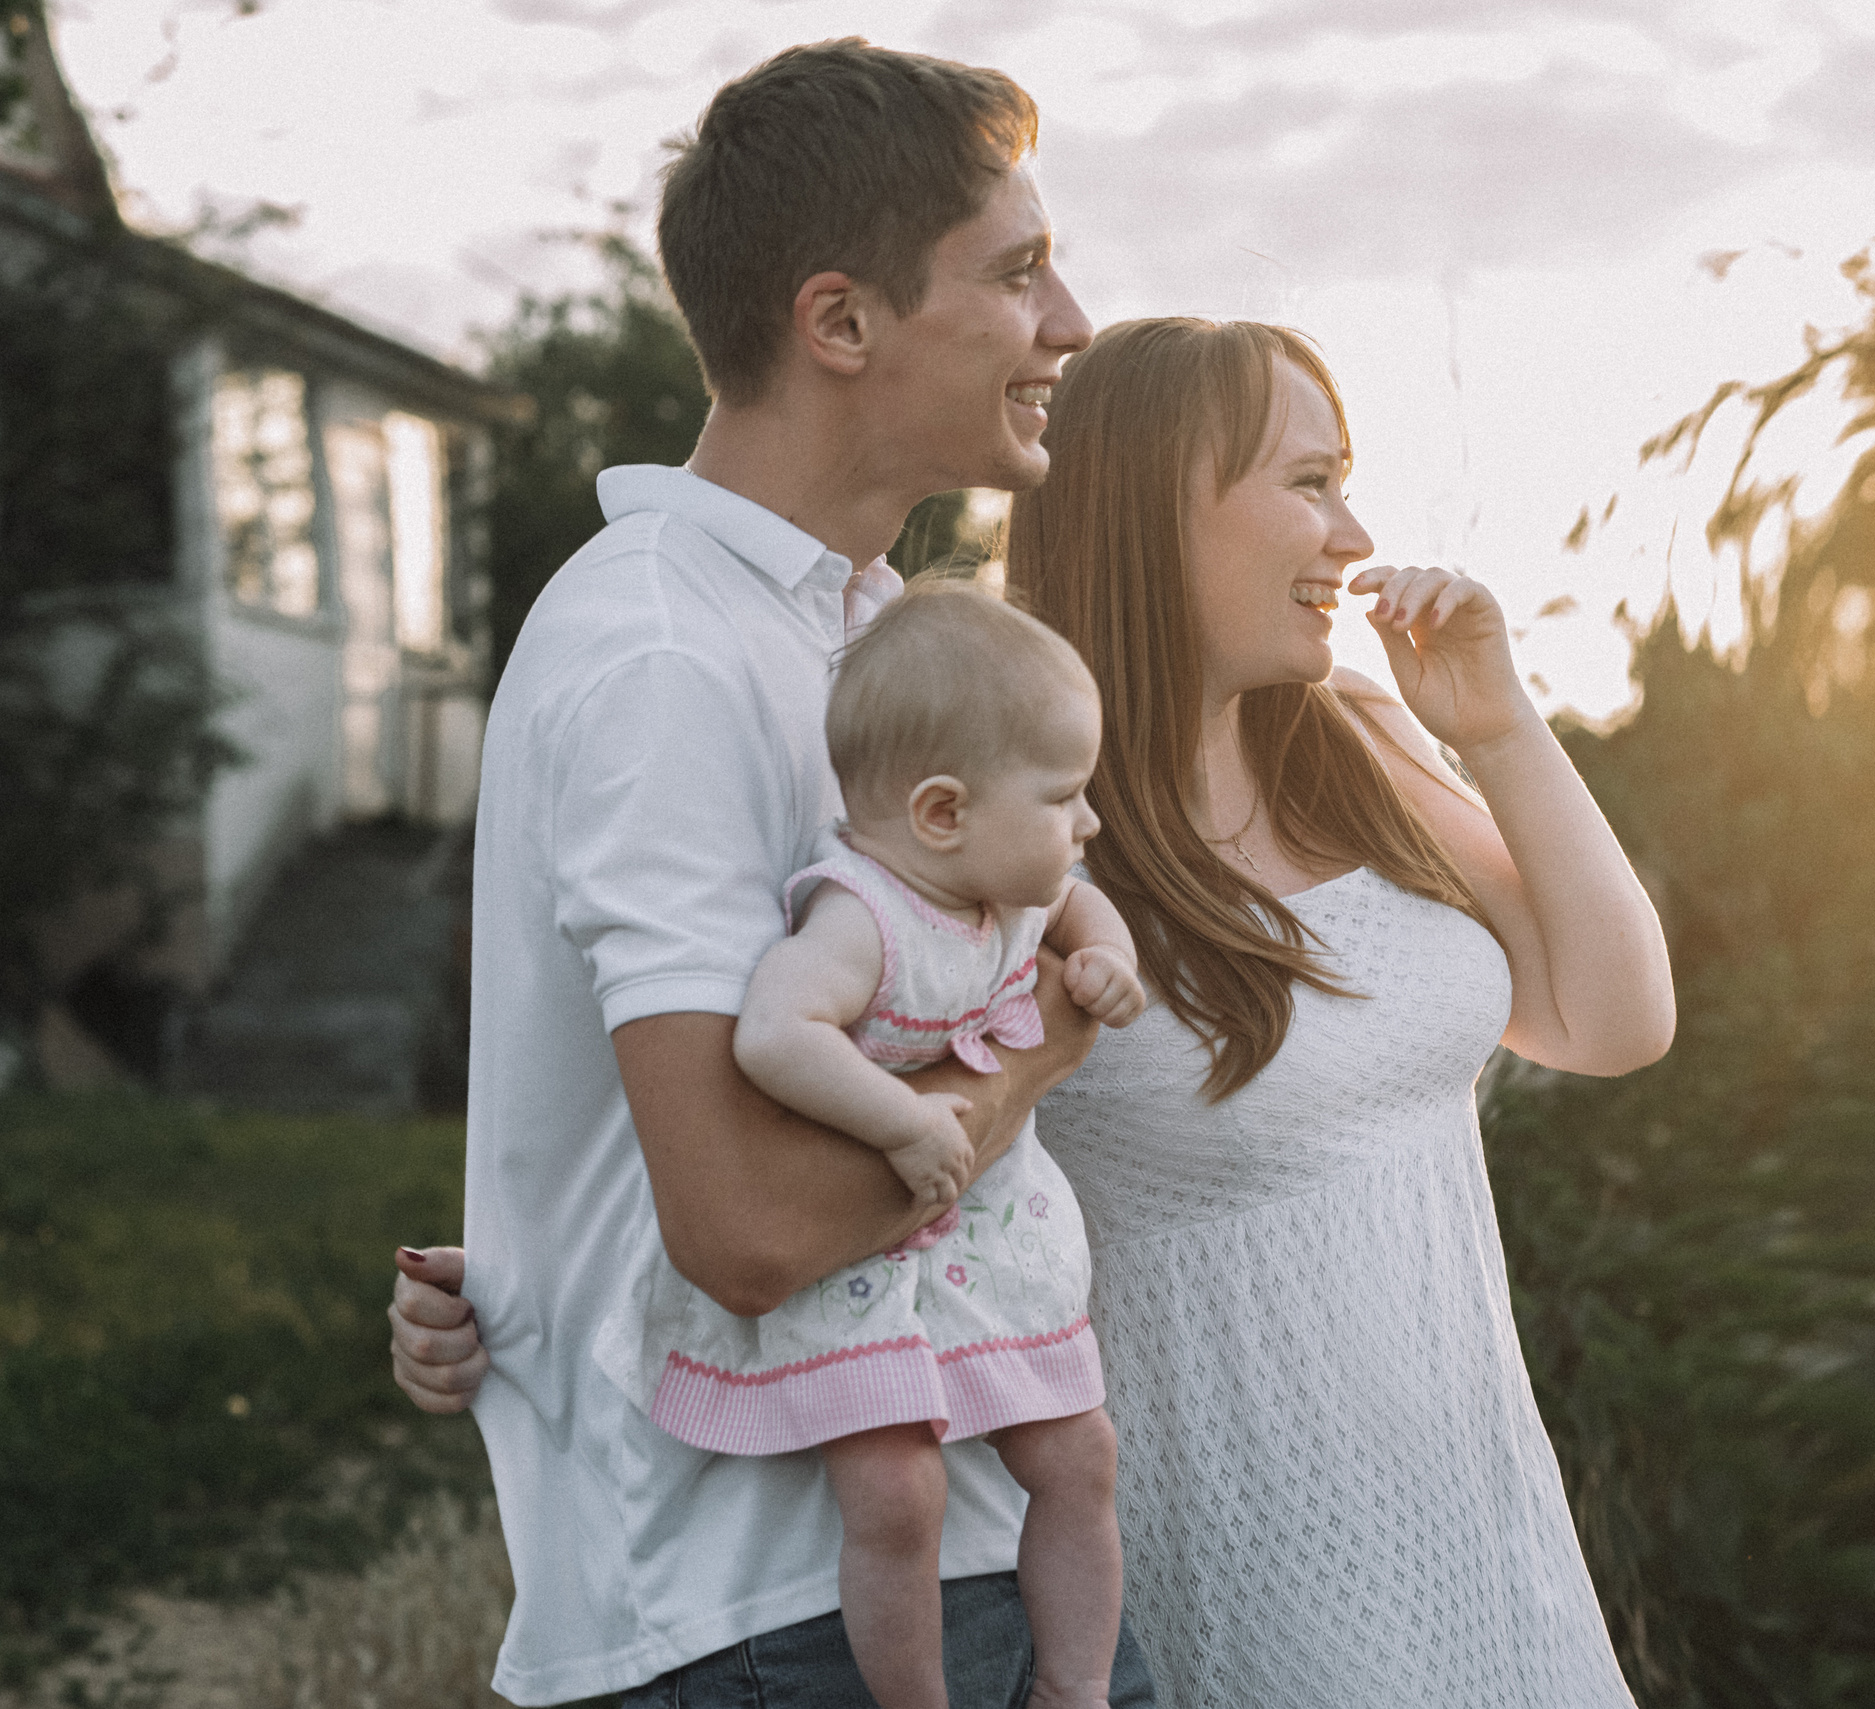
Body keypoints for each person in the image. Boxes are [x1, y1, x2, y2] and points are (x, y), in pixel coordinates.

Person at [402, 311, 1678, 1706]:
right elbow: (811, 1090)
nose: (1353, 532)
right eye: (1307, 485)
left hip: (1487, 1527)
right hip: (1226, 1564)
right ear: (1150, 509)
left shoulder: (1360, 742)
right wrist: (535, 1284)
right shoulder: (1001, 841)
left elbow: (1611, 1018)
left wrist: (1496, 725)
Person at [388, 36, 1158, 1709]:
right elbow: (740, 1229)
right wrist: (1040, 1041)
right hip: (764, 1611)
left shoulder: (876, 633)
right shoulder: (662, 647)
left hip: (951, 1552)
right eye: (1019, 271)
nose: (1071, 322)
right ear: (840, 322)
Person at [596, 582, 1145, 1709]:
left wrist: (1110, 959)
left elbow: (1084, 906)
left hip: (980, 1249)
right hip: (860, 1267)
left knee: (1080, 1453)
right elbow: (773, 1034)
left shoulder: (1013, 888)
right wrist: (899, 1118)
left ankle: (1077, 1684)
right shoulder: (861, 917)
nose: (1086, 824)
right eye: (1065, 796)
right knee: (896, 1495)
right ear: (942, 813)